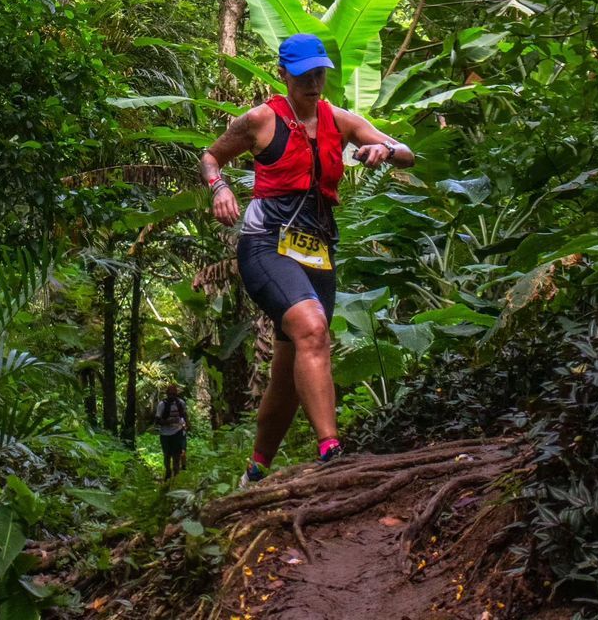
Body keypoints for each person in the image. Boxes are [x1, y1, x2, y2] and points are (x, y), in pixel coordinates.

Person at [199, 33, 414, 485]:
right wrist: (219, 188)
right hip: (265, 243)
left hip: (317, 252)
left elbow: (407, 154)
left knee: (288, 366)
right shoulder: (260, 121)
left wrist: (384, 150)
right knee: (313, 329)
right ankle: (332, 453)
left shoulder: (341, 119)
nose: (314, 84)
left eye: (319, 74)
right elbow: (211, 157)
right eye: (304, 77)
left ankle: (256, 469)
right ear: (283, 75)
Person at [153, 383, 188, 480]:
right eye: (170, 394)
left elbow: (184, 414)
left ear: (176, 394)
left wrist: (187, 425)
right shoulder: (162, 405)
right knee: (167, 455)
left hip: (178, 432)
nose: (172, 396)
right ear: (167, 394)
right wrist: (167, 422)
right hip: (165, 434)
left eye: (174, 394)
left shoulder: (180, 403)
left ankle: (176, 475)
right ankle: (168, 472)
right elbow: (157, 420)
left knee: (177, 454)